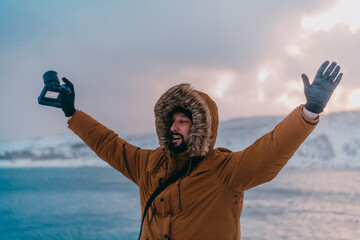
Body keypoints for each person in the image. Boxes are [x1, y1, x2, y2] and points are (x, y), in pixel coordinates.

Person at [54, 61, 342, 239]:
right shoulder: (149, 165)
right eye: (172, 121)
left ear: (200, 127)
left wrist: (309, 111)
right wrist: (72, 112)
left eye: (183, 121)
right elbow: (109, 144)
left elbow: (270, 150)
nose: (174, 127)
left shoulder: (225, 172)